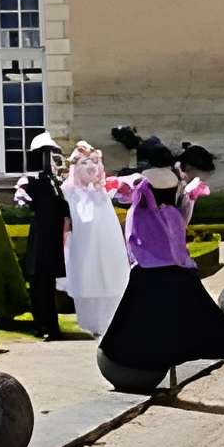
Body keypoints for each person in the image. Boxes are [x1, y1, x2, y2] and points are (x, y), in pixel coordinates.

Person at [98, 136, 224, 392]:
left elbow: (118, 191)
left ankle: (131, 351)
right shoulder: (174, 180)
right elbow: (183, 215)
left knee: (141, 304)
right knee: (188, 301)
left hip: (148, 240)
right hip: (170, 233)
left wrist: (112, 182)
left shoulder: (141, 180)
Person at [61, 142, 128, 340]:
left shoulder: (102, 191)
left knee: (109, 276)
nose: (90, 166)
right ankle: (90, 323)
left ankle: (110, 320)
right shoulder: (69, 191)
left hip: (106, 243)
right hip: (82, 245)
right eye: (84, 162)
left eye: (94, 162)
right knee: (86, 277)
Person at [17, 132, 72, 337]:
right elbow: (25, 202)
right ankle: (43, 324)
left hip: (50, 239)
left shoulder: (56, 184)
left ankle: (49, 326)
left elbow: (65, 211)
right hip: (41, 237)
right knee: (39, 284)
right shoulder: (34, 182)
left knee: (46, 285)